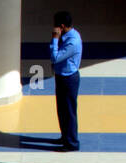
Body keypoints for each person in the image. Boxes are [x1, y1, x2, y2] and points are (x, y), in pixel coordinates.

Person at [50, 12, 82, 151]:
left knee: (68, 111)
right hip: (61, 76)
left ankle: (72, 143)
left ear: (62, 26)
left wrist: (55, 40)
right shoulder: (67, 36)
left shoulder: (72, 41)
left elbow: (55, 58)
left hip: (68, 79)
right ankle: (65, 137)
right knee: (62, 110)